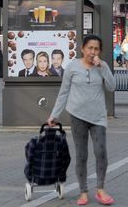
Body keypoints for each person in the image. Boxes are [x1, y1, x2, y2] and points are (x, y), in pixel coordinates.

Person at [47, 34, 116, 206]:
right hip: (77, 116)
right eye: (89, 48)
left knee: (101, 152)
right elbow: (63, 92)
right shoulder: (72, 67)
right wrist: (54, 114)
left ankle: (100, 189)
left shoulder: (103, 66)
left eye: (96, 49)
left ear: (100, 51)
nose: (92, 52)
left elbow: (111, 86)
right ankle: (83, 192)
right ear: (82, 49)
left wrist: (102, 68)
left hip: (98, 117)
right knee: (82, 155)